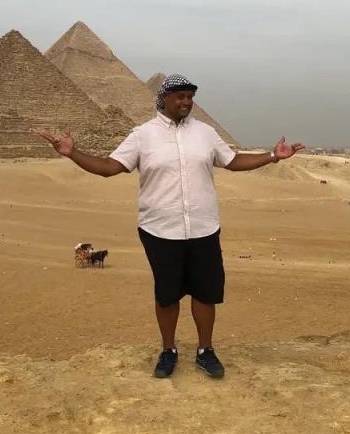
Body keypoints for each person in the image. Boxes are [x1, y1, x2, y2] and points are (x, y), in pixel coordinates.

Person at [40, 74, 304, 379]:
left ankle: (206, 351)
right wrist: (72, 153)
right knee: (167, 295)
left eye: (190, 97)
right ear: (163, 98)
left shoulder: (205, 133)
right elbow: (110, 167)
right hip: (160, 229)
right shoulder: (142, 135)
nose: (187, 102)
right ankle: (168, 350)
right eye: (180, 96)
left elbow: (232, 161)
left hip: (204, 228)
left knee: (206, 294)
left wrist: (273, 156)